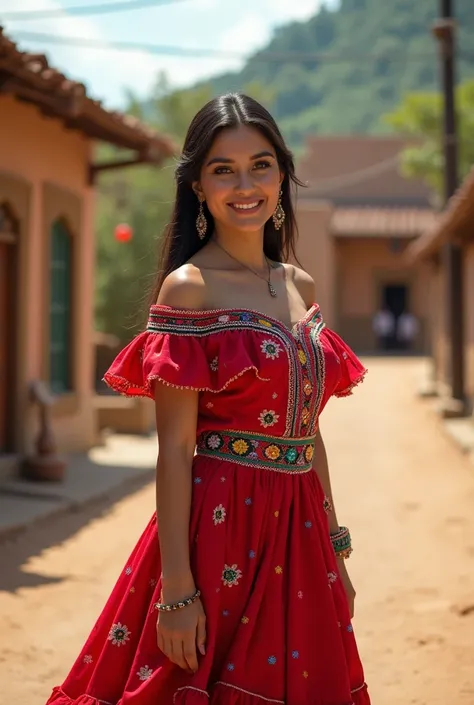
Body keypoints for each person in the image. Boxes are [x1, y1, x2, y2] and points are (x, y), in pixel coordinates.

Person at [45, 94, 370, 705]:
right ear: (197, 184)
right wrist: (176, 590)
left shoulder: (300, 284)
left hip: (300, 532)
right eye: (223, 169)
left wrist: (336, 549)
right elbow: (174, 451)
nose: (245, 185)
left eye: (261, 164)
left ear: (282, 173)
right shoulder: (189, 288)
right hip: (221, 533)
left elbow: (309, 432)